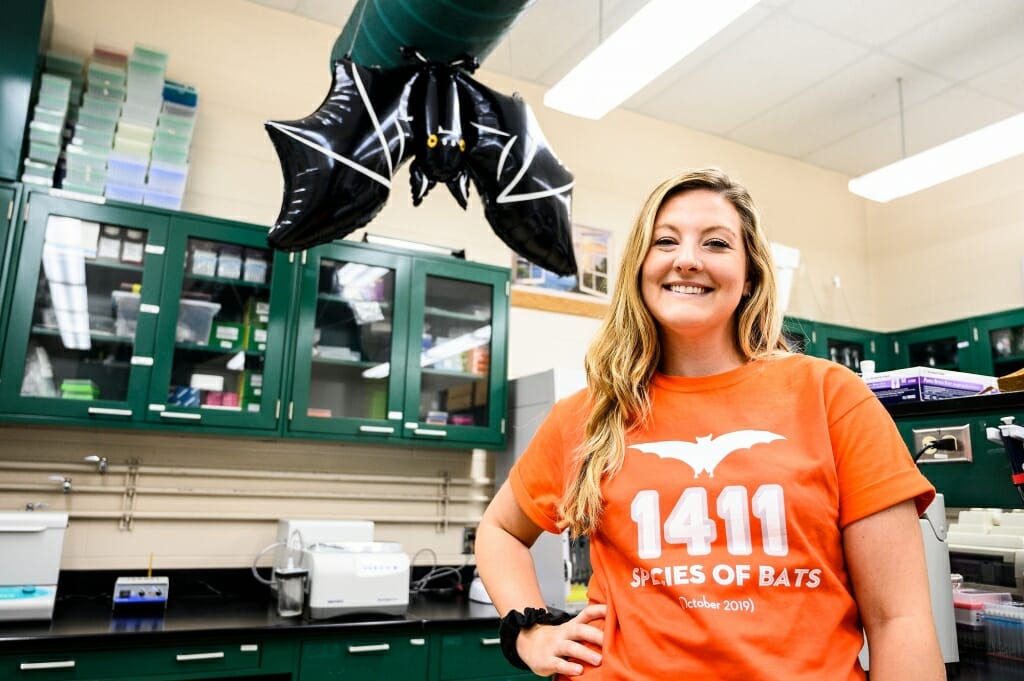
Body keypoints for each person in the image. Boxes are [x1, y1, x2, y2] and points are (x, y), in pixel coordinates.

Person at [475, 168, 945, 680]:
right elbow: (500, 531)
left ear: (749, 278)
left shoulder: (831, 397)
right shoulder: (591, 414)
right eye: (666, 241)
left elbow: (900, 620)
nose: (688, 259)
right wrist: (529, 630)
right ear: (639, 267)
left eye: (717, 243)